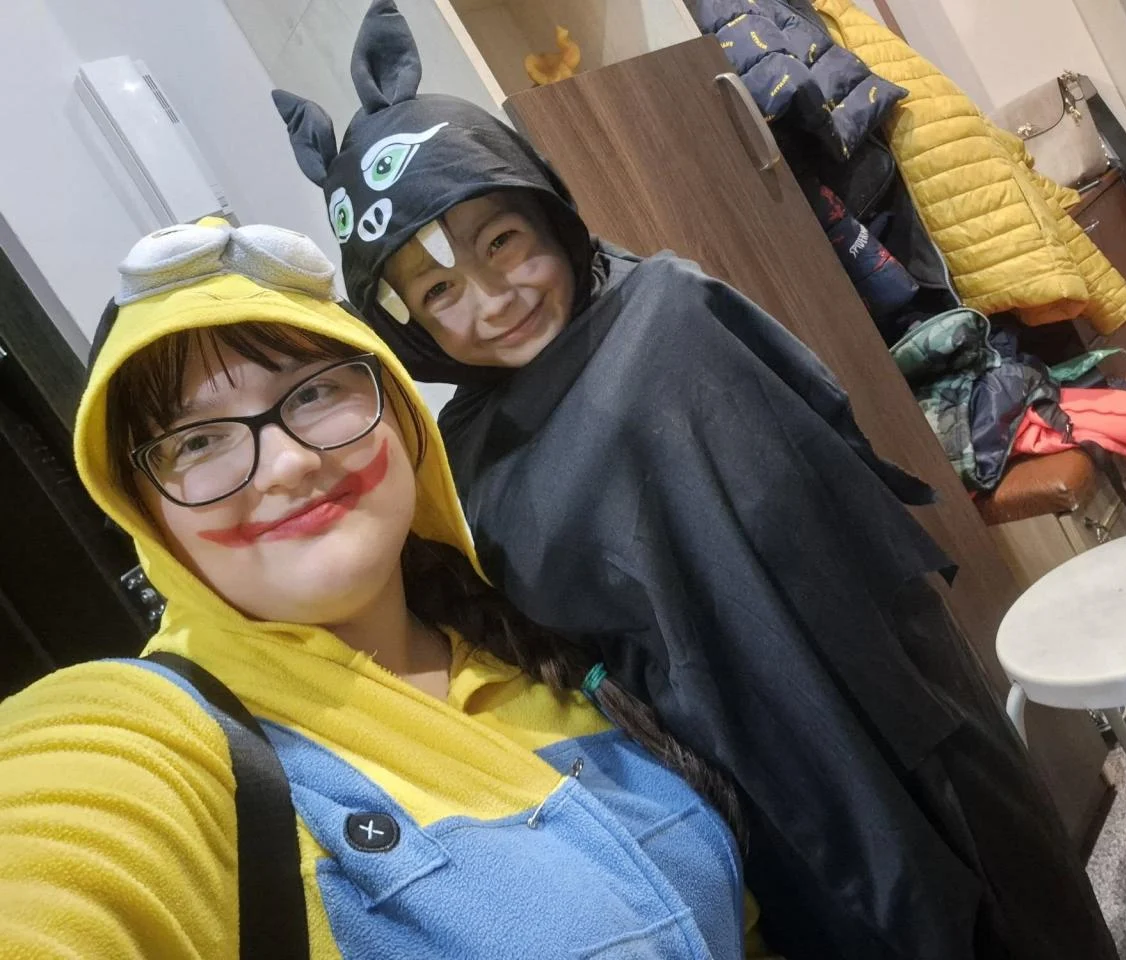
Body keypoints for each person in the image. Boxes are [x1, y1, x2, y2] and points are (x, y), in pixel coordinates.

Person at [274, 6, 1120, 960]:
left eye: (500, 241)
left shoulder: (670, 310)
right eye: (437, 292)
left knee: (1012, 906)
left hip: (880, 690)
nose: (492, 299)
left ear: (543, 207)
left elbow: (825, 489)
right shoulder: (471, 452)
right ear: (407, 326)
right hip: (735, 773)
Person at [0, 219, 764, 958]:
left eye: (312, 393)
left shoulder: (540, 632)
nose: (287, 464)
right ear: (145, 514)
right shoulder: (155, 745)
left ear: (398, 414)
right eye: (198, 440)